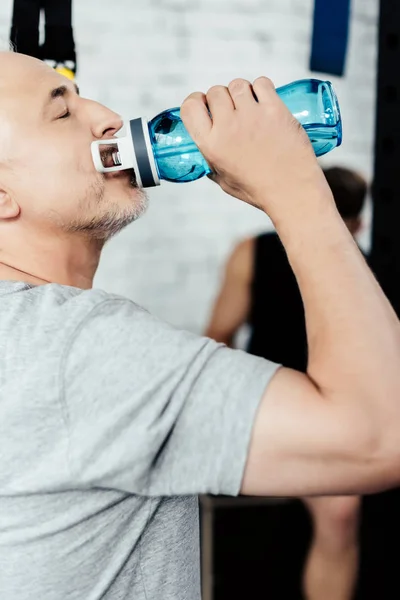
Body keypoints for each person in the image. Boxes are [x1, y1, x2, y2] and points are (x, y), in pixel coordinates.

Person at [0, 51, 400, 600]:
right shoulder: (77, 348)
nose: (108, 117)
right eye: (62, 113)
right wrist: (296, 188)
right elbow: (380, 436)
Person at [205, 166, 368, 600]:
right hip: (270, 405)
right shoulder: (254, 252)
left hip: (333, 415)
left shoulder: (365, 270)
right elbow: (218, 336)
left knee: (340, 514)